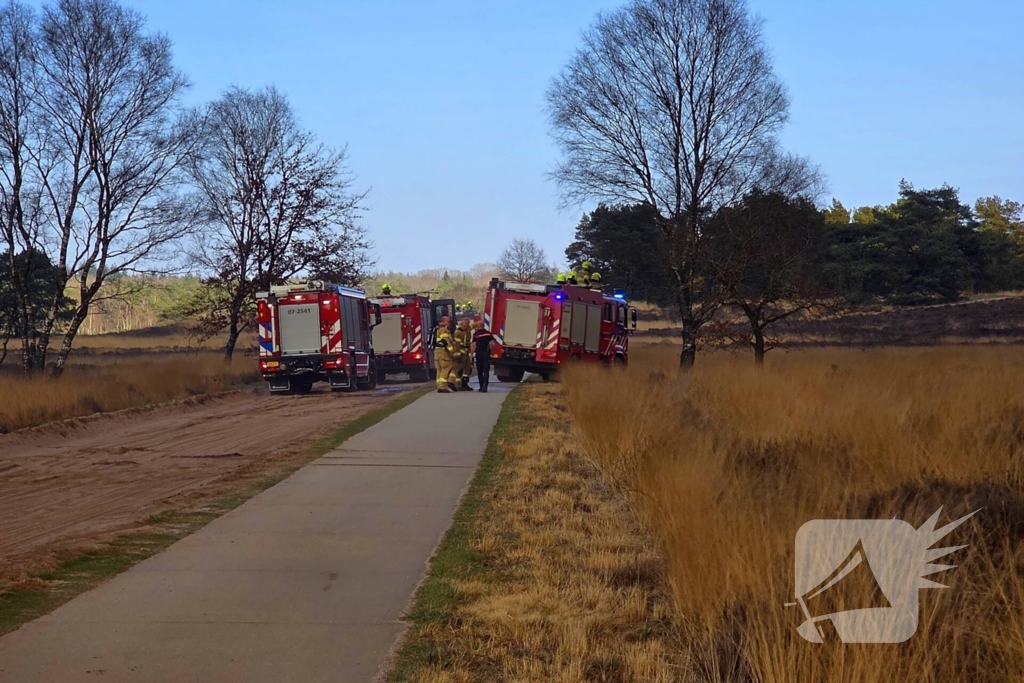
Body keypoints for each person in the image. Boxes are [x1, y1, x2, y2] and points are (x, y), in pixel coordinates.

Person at [433, 316, 458, 392]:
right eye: (448, 321)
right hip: (443, 353)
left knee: (440, 370)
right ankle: (442, 387)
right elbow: (446, 341)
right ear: (443, 321)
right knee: (446, 368)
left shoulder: (438, 329)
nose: (449, 323)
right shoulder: (444, 330)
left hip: (438, 352)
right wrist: (452, 352)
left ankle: (440, 385)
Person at [471, 320, 494, 392]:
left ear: (477, 327)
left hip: (479, 354)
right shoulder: (488, 334)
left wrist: (471, 356)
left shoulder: (476, 334)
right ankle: (485, 386)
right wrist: (492, 352)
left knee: (480, 370)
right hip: (486, 353)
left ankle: (481, 386)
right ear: (483, 326)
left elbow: (474, 345)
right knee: (486, 370)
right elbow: (492, 344)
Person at [453, 318, 473, 390]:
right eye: (465, 323)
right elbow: (457, 344)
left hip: (466, 352)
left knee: (468, 368)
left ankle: (465, 383)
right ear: (462, 323)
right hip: (461, 353)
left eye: (467, 323)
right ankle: (458, 385)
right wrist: (457, 354)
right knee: (459, 369)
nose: (466, 325)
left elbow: (473, 326)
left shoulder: (467, 330)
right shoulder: (458, 332)